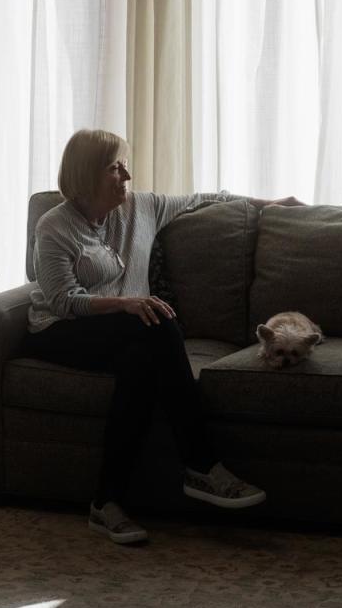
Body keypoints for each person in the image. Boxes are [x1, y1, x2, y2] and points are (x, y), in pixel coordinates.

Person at [25, 129, 302, 544]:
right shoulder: (54, 226)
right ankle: (201, 464)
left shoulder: (143, 207)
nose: (126, 174)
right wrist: (125, 303)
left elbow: (211, 199)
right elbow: (64, 301)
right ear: (86, 174)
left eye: (124, 165)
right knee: (154, 321)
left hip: (125, 333)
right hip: (62, 331)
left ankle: (106, 502)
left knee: (141, 365)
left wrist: (274, 204)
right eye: (115, 167)